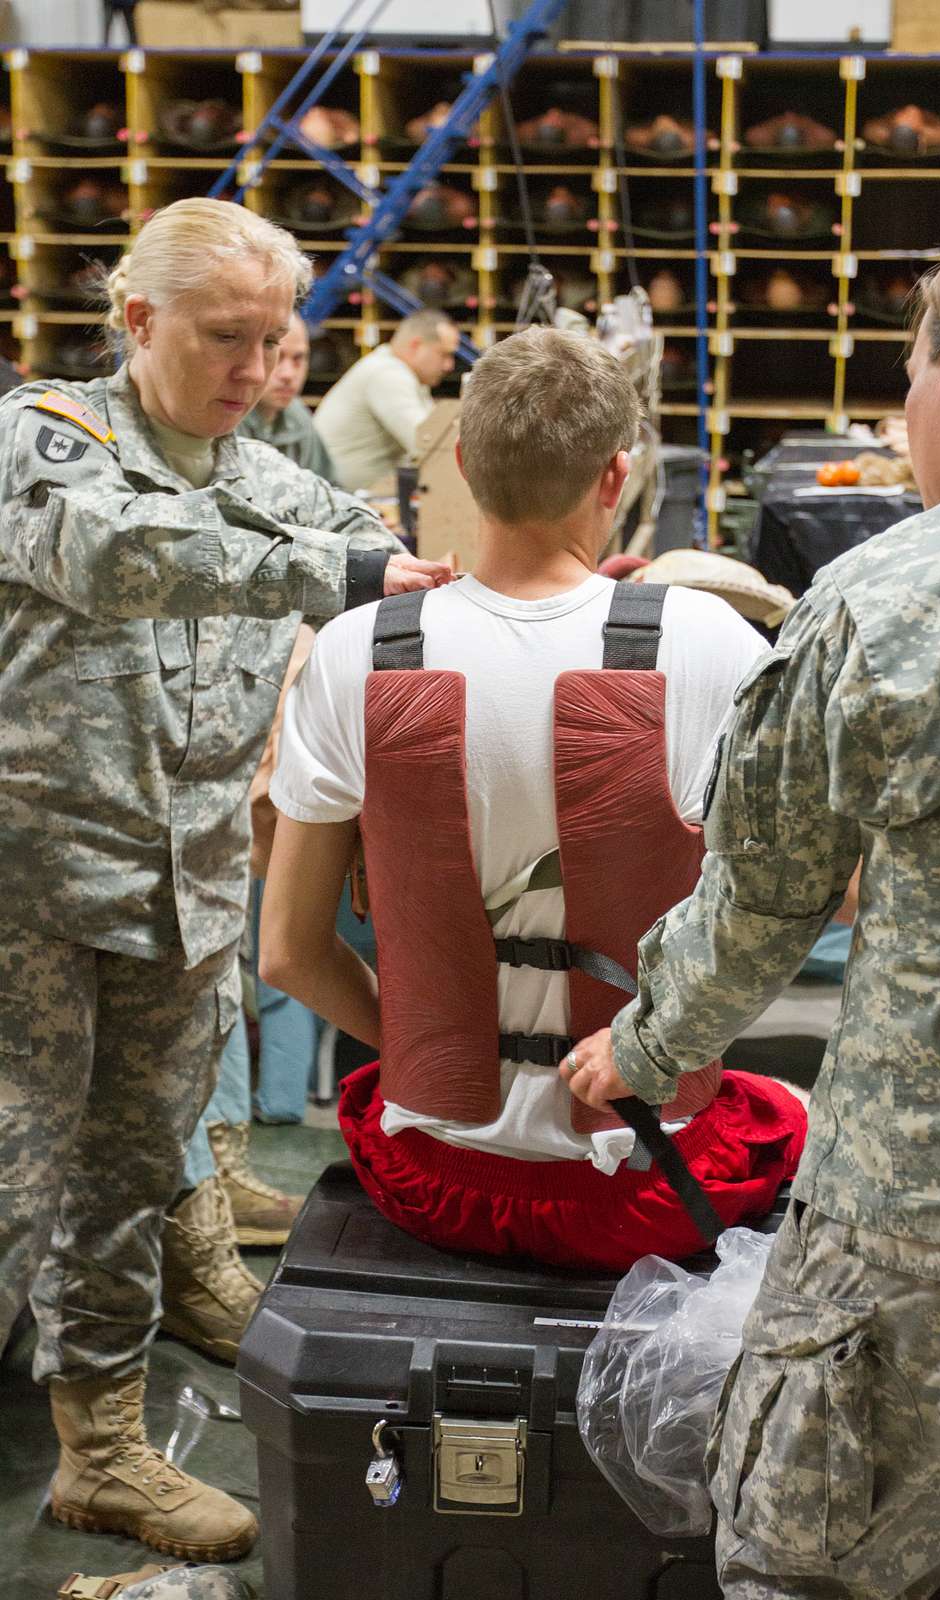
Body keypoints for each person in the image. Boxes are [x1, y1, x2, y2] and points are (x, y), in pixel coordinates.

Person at [563, 224, 940, 1598]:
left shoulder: (886, 597)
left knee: (813, 1565)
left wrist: (649, 1046)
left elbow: (759, 902)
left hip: (930, 1204)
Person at [0, 196, 450, 1563]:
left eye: (276, 341)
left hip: (176, 891)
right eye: (227, 340)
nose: (258, 373)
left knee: (131, 1174)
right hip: (35, 894)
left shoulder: (258, 465)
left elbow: (379, 542)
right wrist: (345, 569)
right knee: (18, 1184)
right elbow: (119, 556)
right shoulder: (44, 441)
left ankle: (102, 1455)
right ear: (137, 323)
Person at [260, 326, 807, 1272]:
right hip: (645, 1187)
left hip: (435, 1175)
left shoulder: (358, 649)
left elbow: (288, 954)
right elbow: (797, 911)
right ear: (617, 478)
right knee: (789, 1111)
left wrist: (439, 1036)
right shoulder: (710, 642)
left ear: (464, 463)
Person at [312, 309, 460, 493]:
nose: (449, 365)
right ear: (416, 346)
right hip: (345, 498)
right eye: (444, 355)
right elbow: (427, 445)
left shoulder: (402, 374)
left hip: (351, 496)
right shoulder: (387, 375)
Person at [238, 310, 338, 483]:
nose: (288, 374)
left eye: (298, 359)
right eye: (278, 357)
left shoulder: (297, 414)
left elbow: (331, 491)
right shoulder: (226, 420)